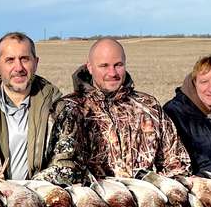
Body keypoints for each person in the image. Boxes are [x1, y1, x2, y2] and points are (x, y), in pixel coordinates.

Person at [0, 32, 81, 188]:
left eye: (24, 59)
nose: (18, 68)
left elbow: (66, 165)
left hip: (43, 200)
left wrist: (26, 193)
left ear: (36, 63)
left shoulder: (60, 111)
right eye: (10, 60)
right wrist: (1, 189)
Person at [64, 37, 191, 180]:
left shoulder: (149, 107)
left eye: (118, 65)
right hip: (94, 197)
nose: (112, 73)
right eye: (104, 66)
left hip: (146, 198)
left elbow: (177, 165)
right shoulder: (70, 109)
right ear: (90, 67)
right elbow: (62, 169)